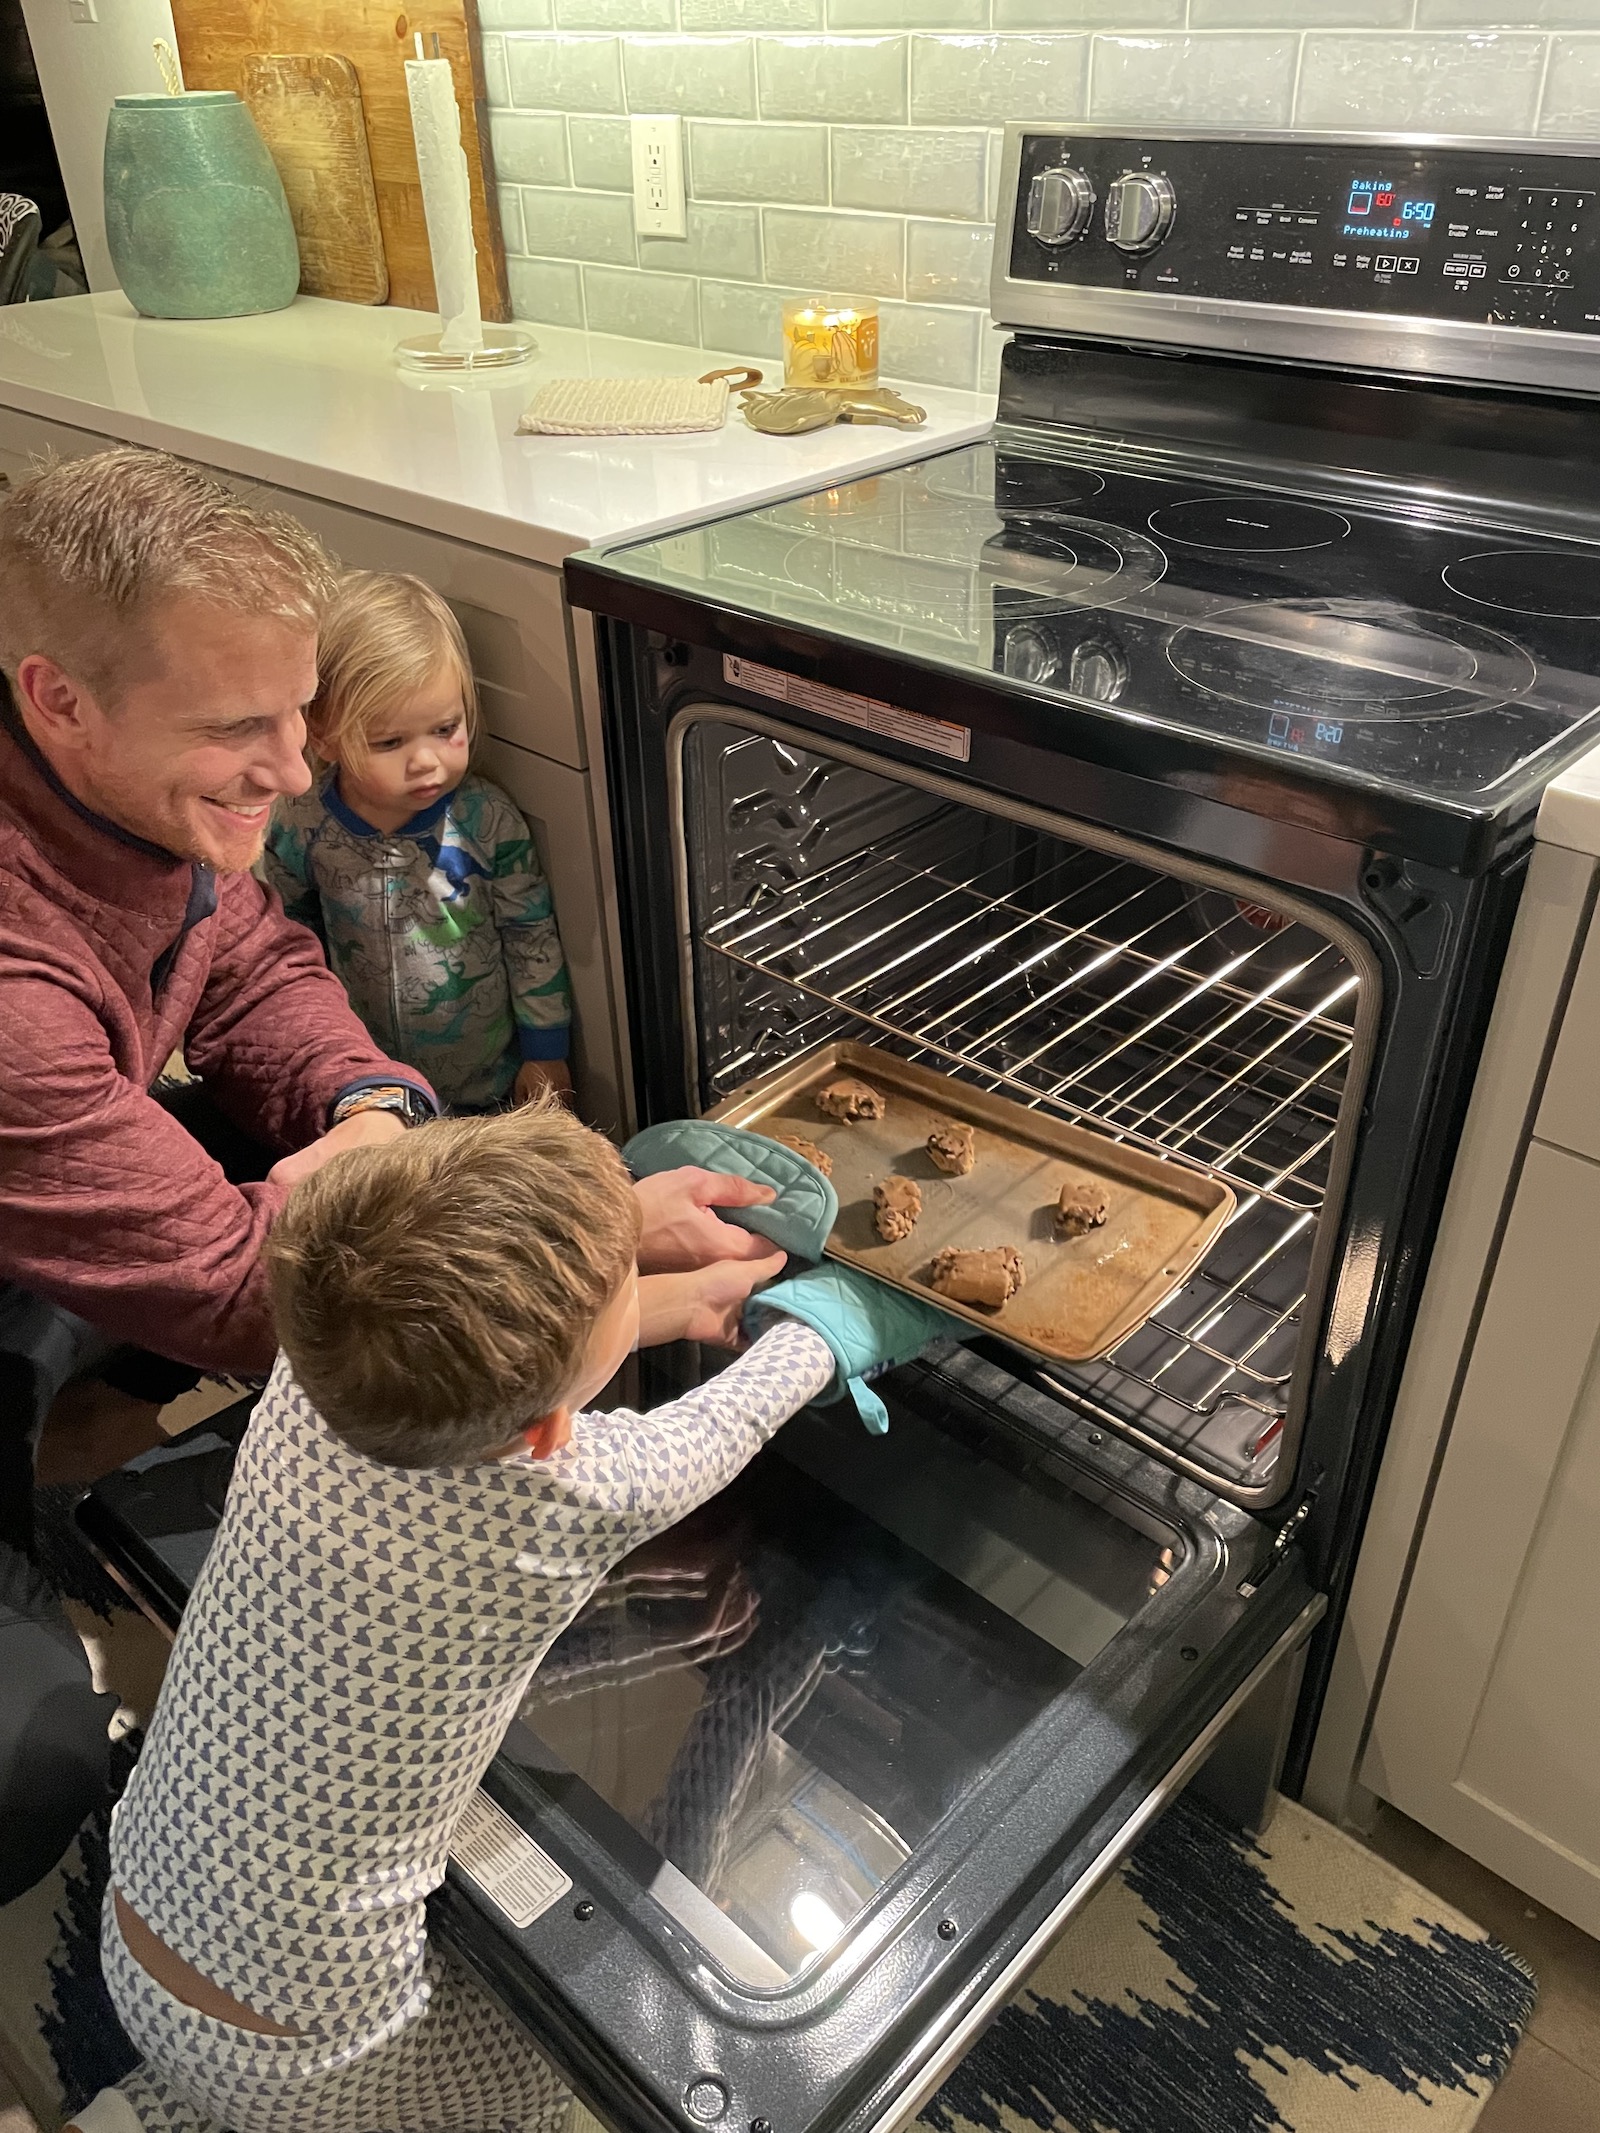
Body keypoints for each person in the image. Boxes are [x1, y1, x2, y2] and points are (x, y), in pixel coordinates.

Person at [67, 1100, 938, 2133]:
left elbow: (500, 1350)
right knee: (549, 2081)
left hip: (142, 1927)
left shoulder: (314, 1372)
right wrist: (852, 1315)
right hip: (319, 2059)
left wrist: (683, 1292)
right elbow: (752, 1399)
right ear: (551, 1427)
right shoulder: (583, 1490)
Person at [0, 448, 774, 1535]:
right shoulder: (16, 996)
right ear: (58, 700)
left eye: (299, 713)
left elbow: (256, 969)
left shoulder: (138, 796)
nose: (294, 775)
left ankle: (88, 1407)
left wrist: (377, 1113)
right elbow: (242, 1289)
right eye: (234, 730)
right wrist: (589, 1248)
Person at [263, 571, 573, 1113]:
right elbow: (292, 937)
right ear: (326, 736)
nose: (426, 760)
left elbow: (531, 934)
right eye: (390, 741)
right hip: (368, 1082)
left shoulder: (487, 818)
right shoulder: (303, 822)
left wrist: (546, 1049)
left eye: (445, 728)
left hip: (488, 1084)